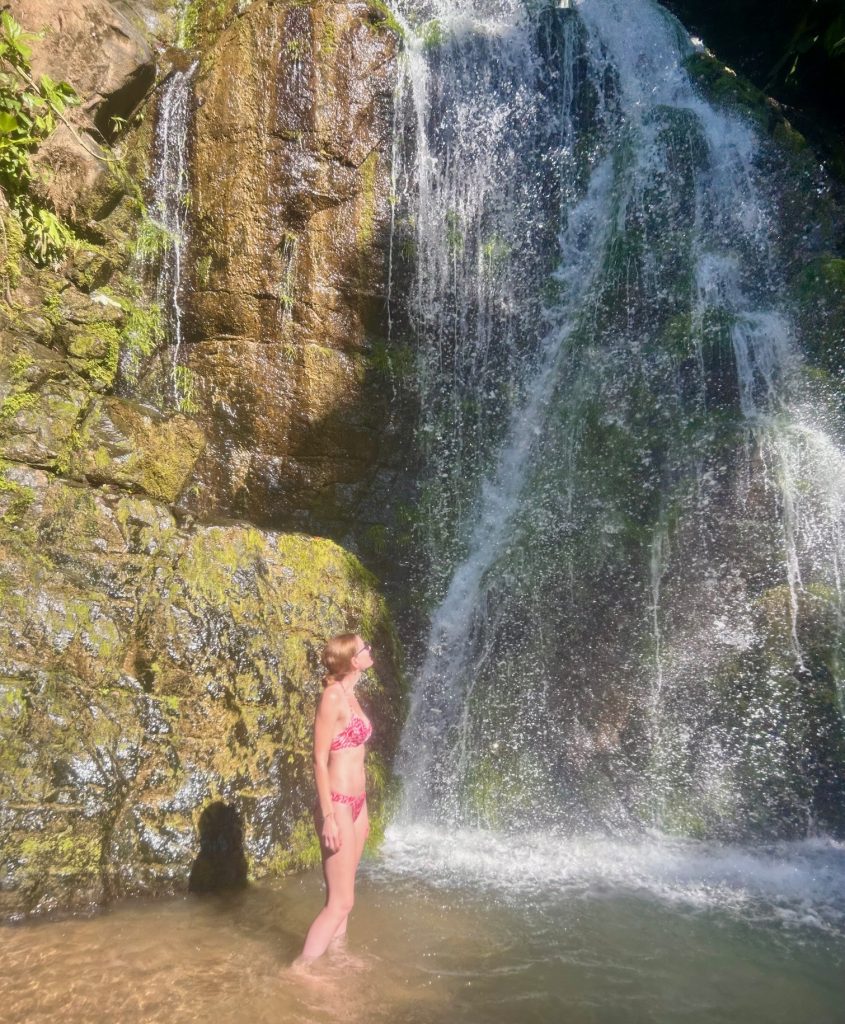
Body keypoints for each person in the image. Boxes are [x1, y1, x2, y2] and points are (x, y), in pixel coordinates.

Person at [297, 633, 374, 962]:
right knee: (340, 902)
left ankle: (338, 957)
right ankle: (300, 969)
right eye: (364, 648)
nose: (370, 650)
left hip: (357, 806)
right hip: (338, 803)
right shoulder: (332, 697)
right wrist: (328, 816)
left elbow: (357, 753)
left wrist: (364, 813)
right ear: (355, 660)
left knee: (345, 895)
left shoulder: (351, 693)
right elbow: (318, 758)